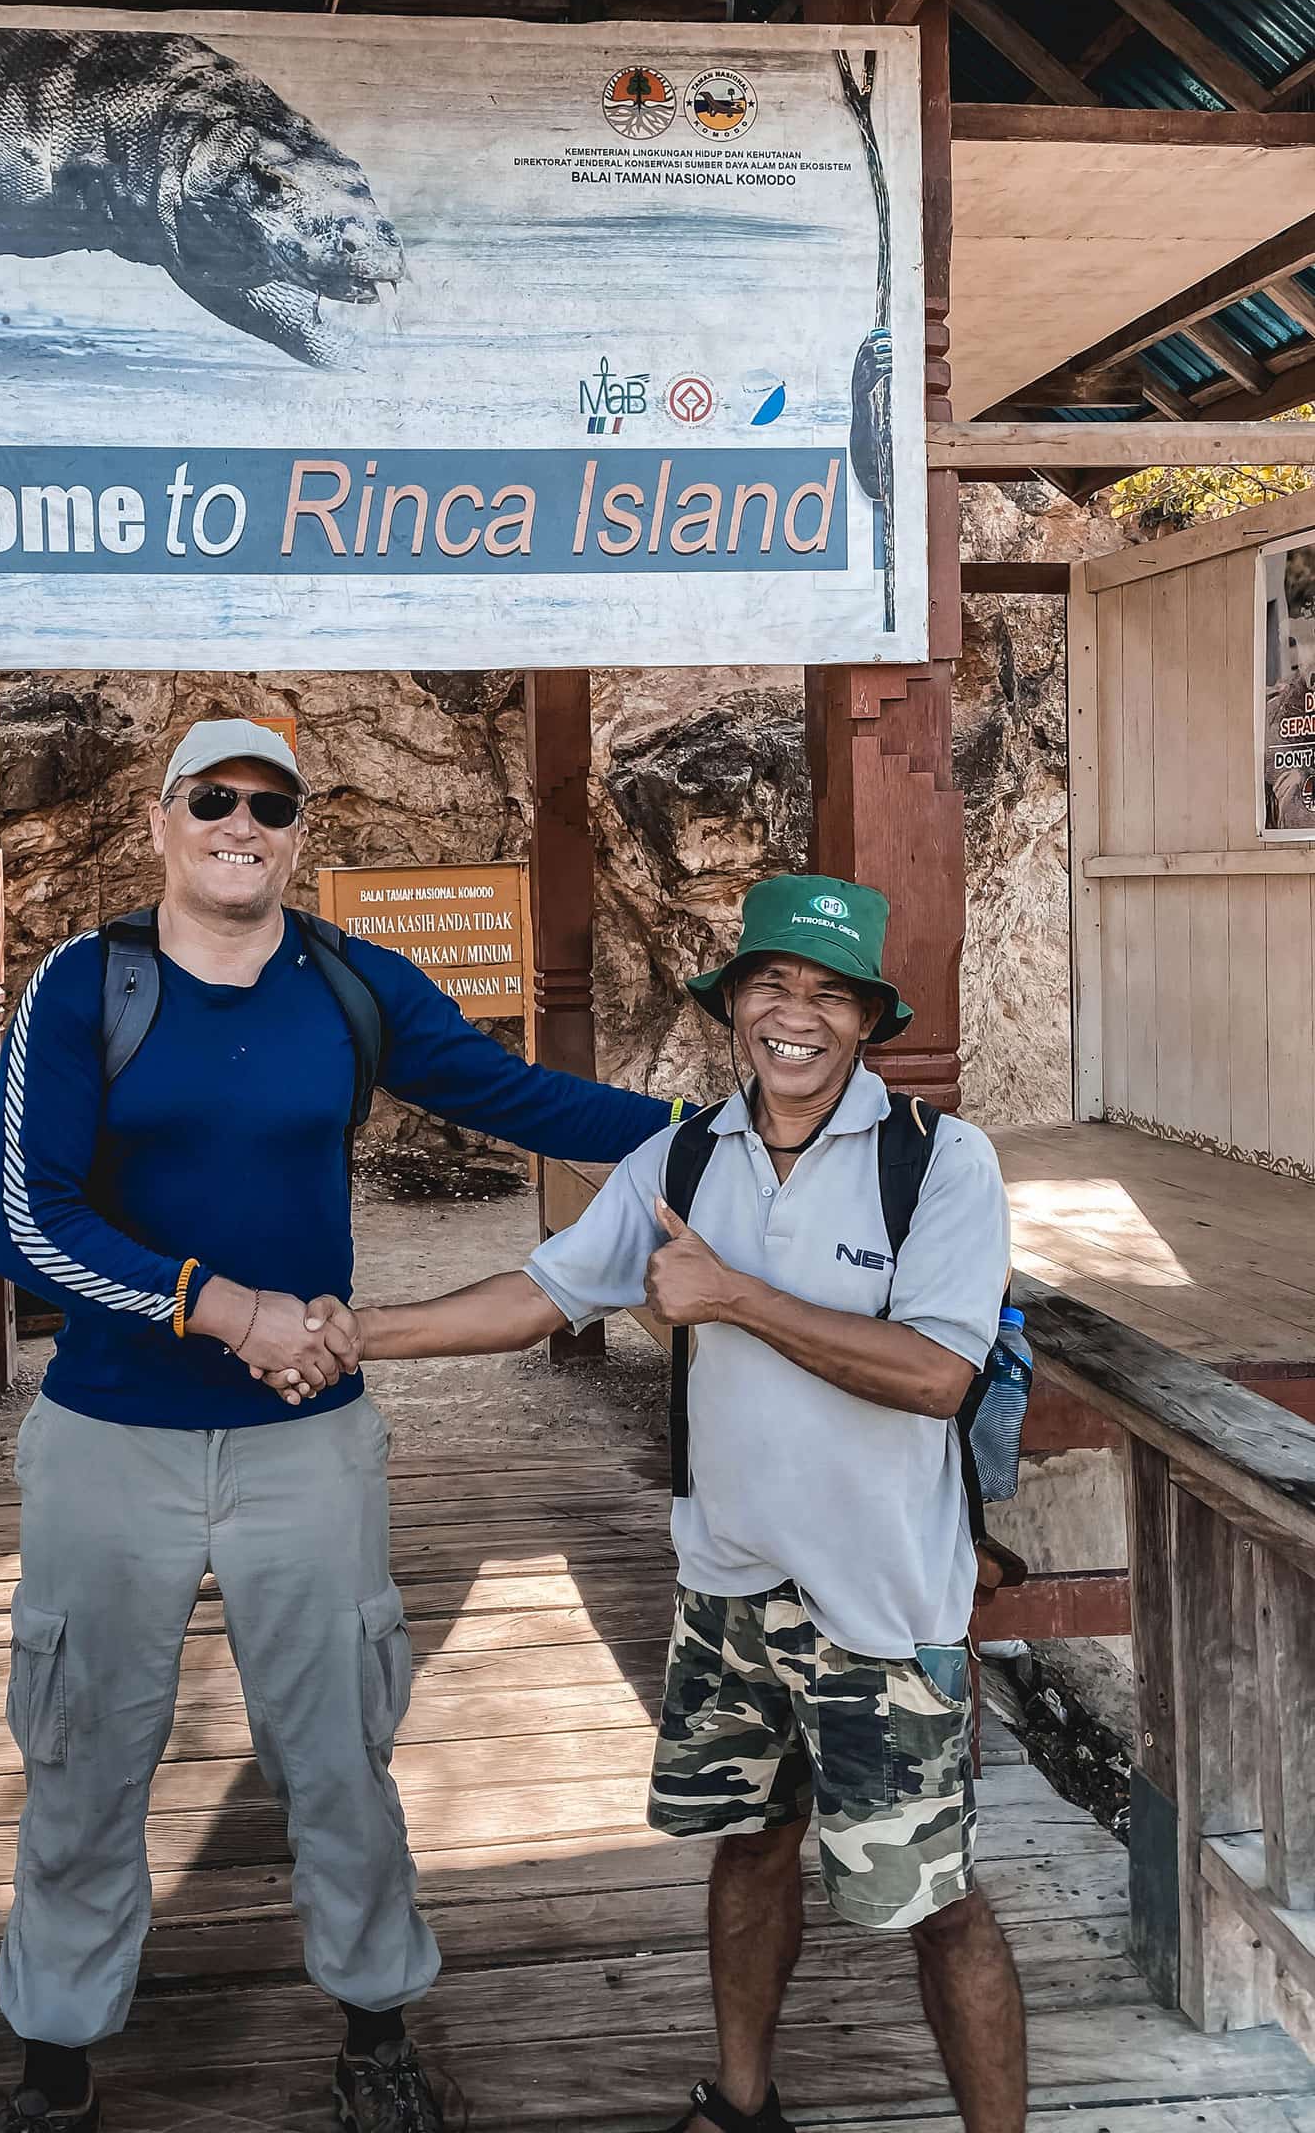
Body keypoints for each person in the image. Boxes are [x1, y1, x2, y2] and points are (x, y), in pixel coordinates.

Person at [0, 717, 672, 2133]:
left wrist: (714, 1128)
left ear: (303, 836)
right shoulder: (83, 987)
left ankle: (373, 2025)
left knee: (339, 1752)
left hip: (311, 1440)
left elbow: (515, 1094)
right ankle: (56, 2057)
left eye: (272, 806)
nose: (243, 824)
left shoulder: (350, 987)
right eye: (214, 800)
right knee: (85, 1752)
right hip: (113, 1435)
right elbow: (28, 1225)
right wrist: (227, 1310)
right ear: (163, 824)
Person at [325, 874, 1027, 2133]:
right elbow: (541, 1295)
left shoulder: (939, 1164)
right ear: (733, 1007)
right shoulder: (684, 1155)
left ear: (867, 1019)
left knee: (938, 1900)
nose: (795, 1016)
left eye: (828, 993)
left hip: (883, 1605)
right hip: (729, 1590)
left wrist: (732, 1297)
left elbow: (934, 1376)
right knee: (748, 1851)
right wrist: (356, 1332)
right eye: (771, 985)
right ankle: (741, 2105)